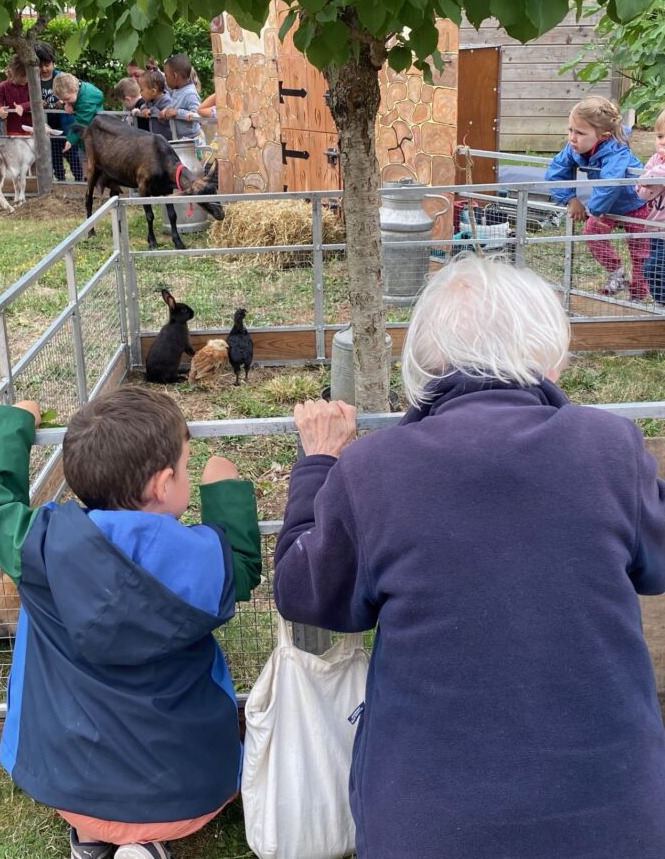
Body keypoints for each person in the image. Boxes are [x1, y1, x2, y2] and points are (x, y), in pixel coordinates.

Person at [274, 254, 665, 859]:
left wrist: (319, 466)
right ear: (548, 356)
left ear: (423, 364)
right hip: (613, 812)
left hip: (429, 821)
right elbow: (656, 564)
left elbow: (307, 594)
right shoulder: (612, 447)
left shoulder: (375, 469)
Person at [0, 385, 262, 859]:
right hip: (189, 795)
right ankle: (143, 843)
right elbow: (242, 562)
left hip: (65, 786)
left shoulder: (39, 549)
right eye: (185, 462)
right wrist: (224, 484)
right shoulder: (203, 560)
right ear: (163, 484)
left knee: (91, 785)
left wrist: (13, 420)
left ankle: (95, 840)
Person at [544, 95, 650, 299]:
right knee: (591, 233)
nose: (572, 138)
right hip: (609, 206)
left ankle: (638, 292)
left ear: (603, 136)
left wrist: (595, 210)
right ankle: (617, 274)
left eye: (580, 133)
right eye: (570, 130)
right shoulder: (574, 147)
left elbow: (609, 183)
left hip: (637, 202)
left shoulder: (617, 151)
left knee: (639, 249)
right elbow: (556, 171)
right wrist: (571, 199)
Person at [34, 41, 84, 183]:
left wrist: (63, 101)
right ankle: (60, 180)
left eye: (47, 64)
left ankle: (79, 180)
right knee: (54, 156)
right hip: (47, 126)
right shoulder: (33, 80)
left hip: (65, 124)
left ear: (53, 62)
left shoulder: (61, 77)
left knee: (72, 154)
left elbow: (75, 91)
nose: (44, 69)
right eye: (40, 65)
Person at [636, 107, 665, 307]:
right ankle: (660, 302)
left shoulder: (658, 165)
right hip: (654, 227)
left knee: (653, 266)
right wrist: (651, 181)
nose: (662, 141)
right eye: (660, 135)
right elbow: (641, 191)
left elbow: (651, 177)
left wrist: (652, 177)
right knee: (655, 269)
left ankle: (661, 302)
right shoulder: (655, 160)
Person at [52, 72, 104, 155]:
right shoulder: (78, 87)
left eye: (67, 99)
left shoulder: (86, 101)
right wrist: (68, 103)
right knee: (85, 157)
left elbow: (81, 121)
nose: (65, 102)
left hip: (96, 136)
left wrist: (70, 140)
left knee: (93, 159)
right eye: (63, 100)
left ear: (75, 89)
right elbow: (71, 97)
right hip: (87, 135)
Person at [161, 54, 202, 140]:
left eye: (166, 76)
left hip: (193, 139)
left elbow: (198, 115)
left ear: (175, 76)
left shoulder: (190, 93)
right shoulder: (177, 90)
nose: (165, 79)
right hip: (181, 138)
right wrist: (166, 110)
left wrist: (178, 112)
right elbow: (174, 105)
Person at [0, 56, 32, 136]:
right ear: (11, 73)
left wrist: (23, 106)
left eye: (27, 76)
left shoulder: (31, 85)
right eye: (22, 76)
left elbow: (36, 101)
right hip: (13, 129)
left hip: (31, 128)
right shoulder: (4, 85)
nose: (26, 79)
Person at [133, 69, 173, 139]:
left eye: (142, 90)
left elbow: (166, 119)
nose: (140, 93)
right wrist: (144, 109)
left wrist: (151, 111)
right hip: (157, 138)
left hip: (167, 139)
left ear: (153, 91)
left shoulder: (166, 101)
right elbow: (143, 106)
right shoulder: (150, 100)